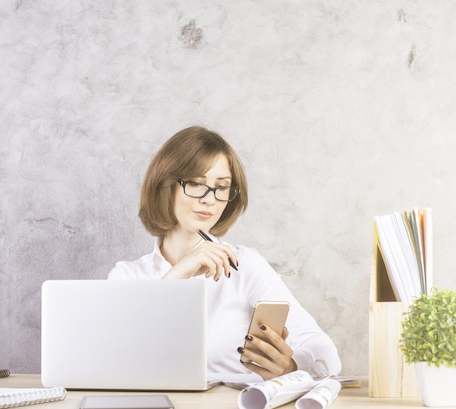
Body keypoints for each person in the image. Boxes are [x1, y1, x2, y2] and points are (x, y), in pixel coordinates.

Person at [108, 126, 342, 380]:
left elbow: (325, 353)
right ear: (166, 186)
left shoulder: (244, 265)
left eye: (222, 187)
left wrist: (291, 367)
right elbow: (116, 360)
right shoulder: (126, 277)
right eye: (197, 183)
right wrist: (179, 275)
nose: (210, 199)